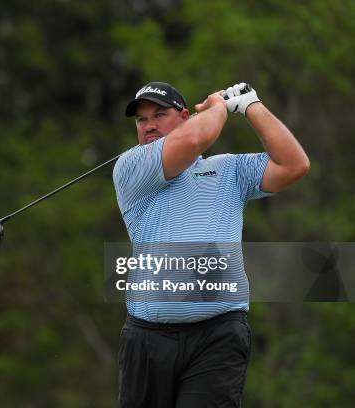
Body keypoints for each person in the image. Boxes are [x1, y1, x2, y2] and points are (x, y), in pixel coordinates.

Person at [112, 82, 309, 407]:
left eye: (159, 115)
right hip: (148, 340)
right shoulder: (132, 167)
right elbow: (194, 138)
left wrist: (250, 106)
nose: (149, 126)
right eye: (141, 120)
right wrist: (219, 105)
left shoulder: (229, 170)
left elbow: (294, 165)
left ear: (185, 116)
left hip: (218, 336)